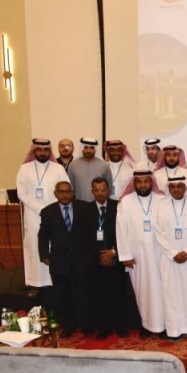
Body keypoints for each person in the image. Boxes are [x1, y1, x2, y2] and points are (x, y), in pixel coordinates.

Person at [37, 181, 93, 338]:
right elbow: (43, 236)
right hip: (59, 261)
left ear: (73, 193)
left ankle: (86, 325)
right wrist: (44, 255)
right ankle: (68, 325)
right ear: (55, 194)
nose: (65, 195)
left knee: (83, 295)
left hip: (82, 260)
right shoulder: (47, 212)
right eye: (61, 192)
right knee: (62, 296)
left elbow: (91, 232)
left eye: (68, 191)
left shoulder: (85, 208)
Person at [116, 169, 166, 339]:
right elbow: (120, 230)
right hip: (137, 256)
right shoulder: (125, 202)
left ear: (152, 182)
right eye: (139, 181)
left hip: (160, 254)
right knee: (142, 291)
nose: (143, 185)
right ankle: (146, 325)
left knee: (161, 290)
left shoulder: (161, 200)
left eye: (146, 181)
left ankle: (163, 325)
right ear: (134, 183)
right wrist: (125, 255)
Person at [154, 176, 187, 341]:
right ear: (168, 189)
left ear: (185, 187)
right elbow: (159, 232)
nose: (176, 189)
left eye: (179, 186)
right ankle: (175, 330)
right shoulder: (162, 206)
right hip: (170, 259)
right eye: (173, 187)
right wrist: (173, 252)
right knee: (172, 295)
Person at [16, 138, 70, 289]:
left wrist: (50, 210)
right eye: (39, 150)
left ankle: (53, 280)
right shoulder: (25, 169)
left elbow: (66, 189)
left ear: (49, 151)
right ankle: (34, 282)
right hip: (33, 215)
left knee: (54, 245)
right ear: (34, 151)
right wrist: (40, 209)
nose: (42, 153)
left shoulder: (58, 168)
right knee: (34, 246)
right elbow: (21, 193)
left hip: (54, 214)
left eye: (46, 150)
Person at [85, 177, 128, 339]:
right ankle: (104, 328)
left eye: (103, 189)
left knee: (118, 295)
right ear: (92, 192)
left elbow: (125, 232)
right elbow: (84, 237)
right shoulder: (86, 210)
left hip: (116, 258)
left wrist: (113, 252)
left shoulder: (119, 207)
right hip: (95, 261)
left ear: (108, 190)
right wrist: (101, 256)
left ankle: (121, 327)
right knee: (99, 296)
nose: (100, 193)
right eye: (96, 190)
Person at [68, 137, 113, 202]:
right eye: (86, 148)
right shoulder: (73, 165)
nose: (88, 151)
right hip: (79, 203)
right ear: (82, 149)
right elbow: (70, 187)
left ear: (95, 150)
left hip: (98, 204)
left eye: (91, 148)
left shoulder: (104, 165)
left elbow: (109, 186)